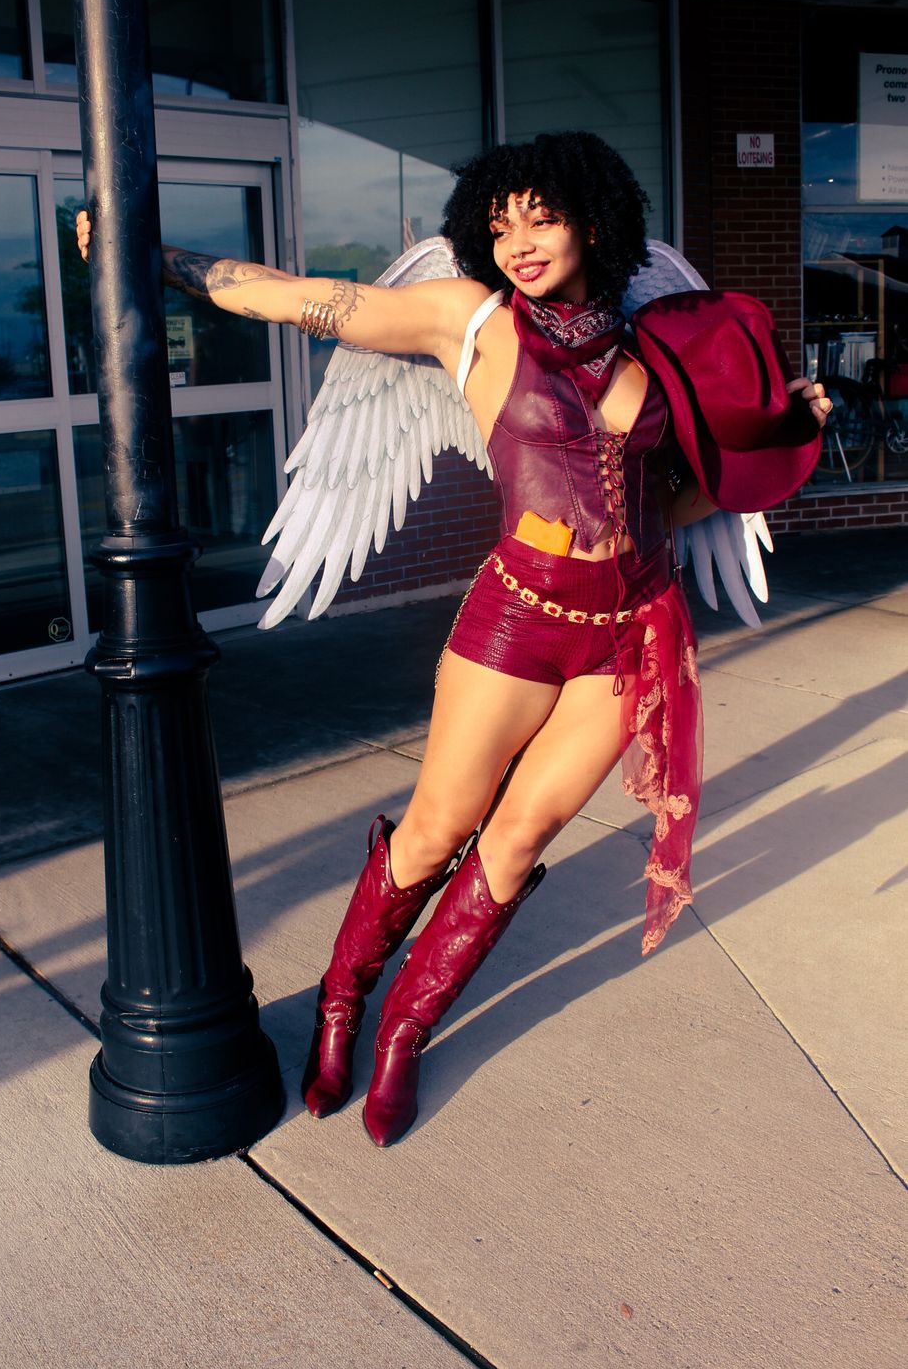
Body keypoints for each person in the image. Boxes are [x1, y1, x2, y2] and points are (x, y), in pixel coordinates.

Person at [76, 130, 831, 1148]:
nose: (518, 242)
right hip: (517, 620)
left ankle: (403, 1033)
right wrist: (159, 260)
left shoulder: (653, 345)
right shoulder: (469, 320)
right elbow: (299, 299)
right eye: (499, 223)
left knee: (517, 840)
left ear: (593, 221)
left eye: (541, 218)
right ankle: (343, 1001)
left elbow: (674, 501)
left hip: (628, 631)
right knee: (436, 830)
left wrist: (785, 431)